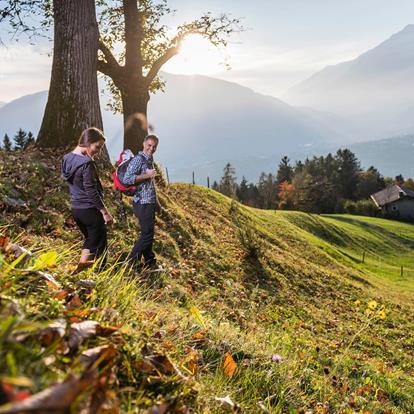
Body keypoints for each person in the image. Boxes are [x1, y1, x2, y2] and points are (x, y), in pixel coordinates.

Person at [62, 127, 113, 273]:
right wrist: (105, 212)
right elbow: (91, 190)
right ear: (88, 142)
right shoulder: (86, 164)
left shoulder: (67, 159)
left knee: (90, 240)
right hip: (90, 210)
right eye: (97, 146)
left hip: (76, 209)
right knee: (99, 244)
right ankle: (88, 274)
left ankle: (82, 272)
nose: (99, 150)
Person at [123, 134, 161, 270]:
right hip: (142, 202)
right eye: (149, 145)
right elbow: (127, 179)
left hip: (149, 201)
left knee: (148, 233)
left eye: (154, 146)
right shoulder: (138, 160)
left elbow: (151, 184)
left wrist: (156, 202)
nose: (151, 148)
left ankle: (150, 261)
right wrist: (147, 175)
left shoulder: (149, 159)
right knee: (146, 234)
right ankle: (131, 263)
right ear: (144, 143)